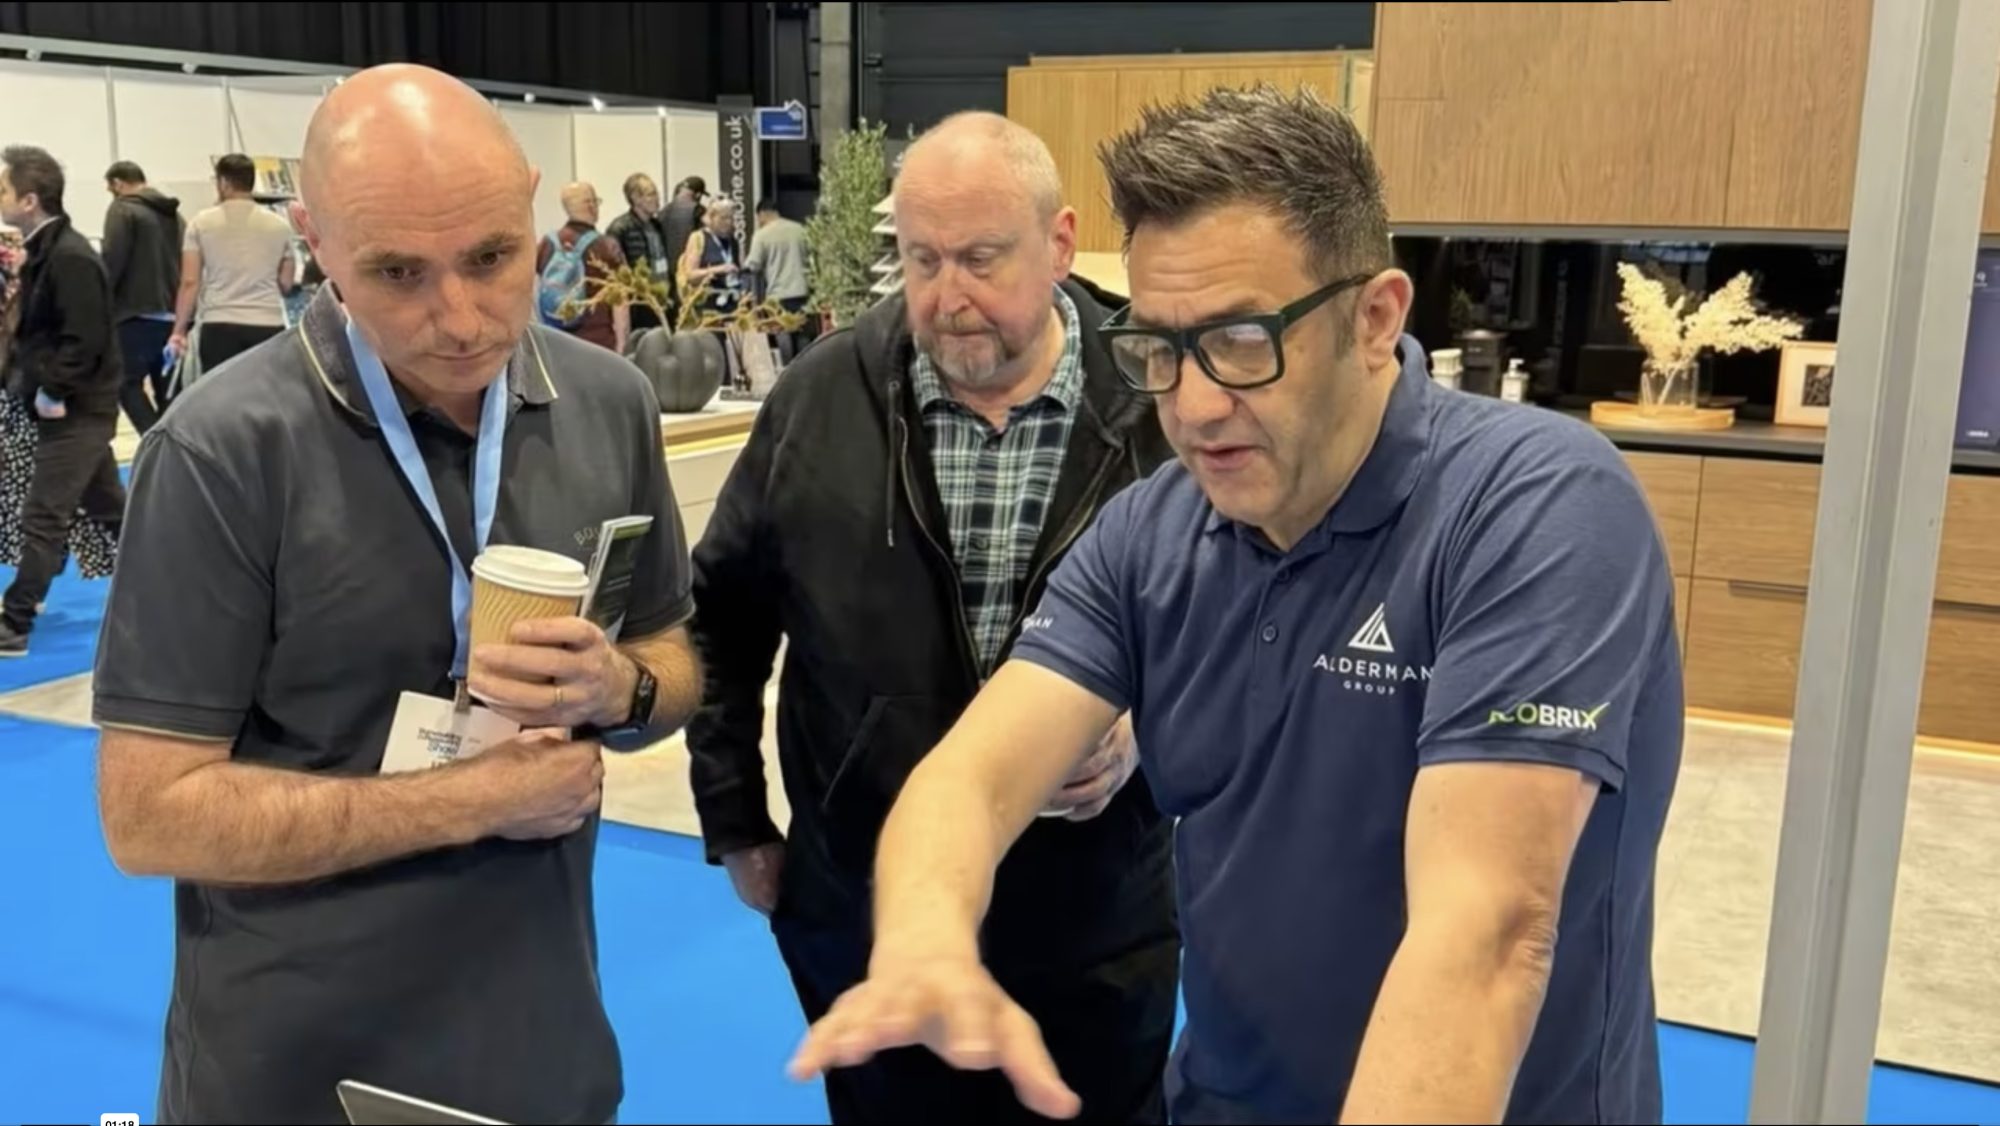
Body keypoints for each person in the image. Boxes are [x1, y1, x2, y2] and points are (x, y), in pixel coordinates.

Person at [788, 85, 1683, 1126]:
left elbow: (1485, 936)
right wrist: (925, 939)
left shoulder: (1535, 505)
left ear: (1374, 318)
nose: (1195, 405)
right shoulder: (1151, 534)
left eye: (1243, 340)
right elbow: (970, 781)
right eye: (1159, 349)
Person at [92, 64, 704, 1125]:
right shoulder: (222, 449)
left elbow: (673, 656)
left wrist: (619, 689)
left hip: (542, 1037)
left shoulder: (609, 402)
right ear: (314, 246)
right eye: (397, 273)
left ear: (528, 202)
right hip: (297, 1063)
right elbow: (148, 816)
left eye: (491, 258)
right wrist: (474, 799)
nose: (459, 318)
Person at [688, 111, 1180, 1125]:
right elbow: (720, 619)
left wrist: (1146, 731)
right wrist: (734, 817)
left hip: (1095, 917)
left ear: (1058, 244)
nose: (948, 298)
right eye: (922, 260)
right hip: (866, 909)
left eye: (981, 259)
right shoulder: (819, 399)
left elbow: (1241, 634)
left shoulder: (1160, 401)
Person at [0, 145, 124, 658]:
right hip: (67, 404)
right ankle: (183, 578)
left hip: (77, 408)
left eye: (3, 190)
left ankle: (14, 621)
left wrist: (53, 390)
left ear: (29, 200)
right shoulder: (45, 252)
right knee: (112, 510)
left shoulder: (69, 257)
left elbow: (84, 338)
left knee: (44, 514)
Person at [169, 152, 296, 375]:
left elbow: (190, 282)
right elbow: (286, 283)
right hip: (268, 326)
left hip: (220, 326)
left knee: (221, 393)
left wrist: (178, 331)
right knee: (263, 391)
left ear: (223, 182)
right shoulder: (281, 226)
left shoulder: (200, 223)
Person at [101, 160, 183, 432]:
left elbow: (113, 260)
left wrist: (101, 301)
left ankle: (152, 442)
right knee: (169, 391)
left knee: (126, 383)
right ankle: (171, 445)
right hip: (173, 315)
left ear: (117, 184)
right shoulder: (175, 214)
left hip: (135, 313)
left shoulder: (122, 209)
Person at [536, 181, 630, 354]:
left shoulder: (546, 244)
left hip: (556, 343)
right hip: (598, 344)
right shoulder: (606, 246)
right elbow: (620, 302)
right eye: (596, 201)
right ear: (590, 206)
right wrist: (622, 345)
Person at [743, 197, 812, 359]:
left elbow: (753, 265)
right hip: (802, 291)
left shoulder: (762, 235)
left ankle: (787, 368)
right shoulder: (800, 230)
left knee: (782, 335)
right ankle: (804, 365)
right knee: (802, 333)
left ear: (761, 214)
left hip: (778, 294)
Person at [606, 172, 669, 331]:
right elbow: (615, 271)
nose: (657, 199)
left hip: (661, 301)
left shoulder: (657, 226)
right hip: (638, 305)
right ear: (636, 198)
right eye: (651, 194)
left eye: (656, 193)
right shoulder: (619, 229)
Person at [677, 197, 742, 320]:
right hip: (706, 309)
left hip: (730, 306)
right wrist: (718, 269)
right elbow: (690, 275)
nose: (728, 222)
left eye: (731, 218)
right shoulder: (698, 238)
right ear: (711, 217)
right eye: (723, 218)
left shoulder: (733, 242)